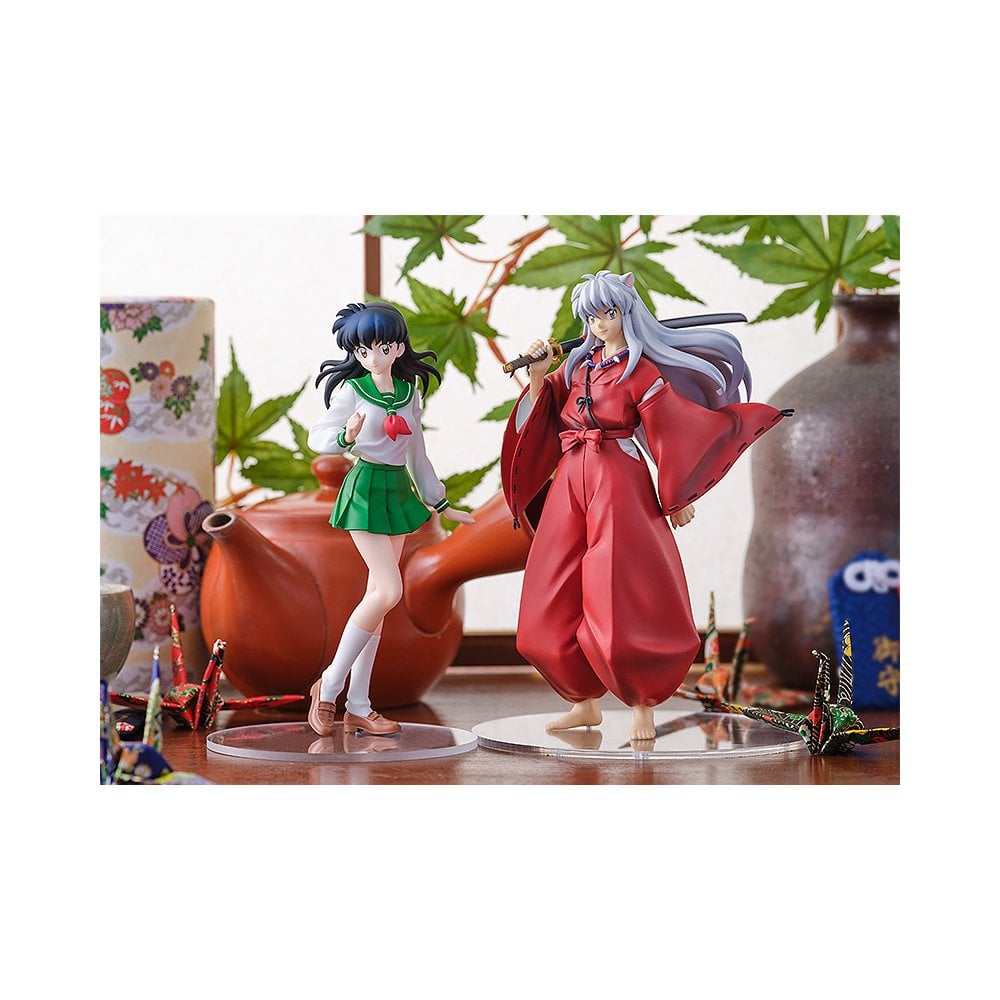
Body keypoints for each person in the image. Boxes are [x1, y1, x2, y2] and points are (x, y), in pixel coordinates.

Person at [501, 271, 788, 743]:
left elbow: (669, 431)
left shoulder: (641, 373)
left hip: (617, 477)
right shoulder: (576, 367)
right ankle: (583, 700)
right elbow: (546, 417)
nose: (598, 324)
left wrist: (678, 494)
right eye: (591, 316)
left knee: (621, 588)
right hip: (571, 476)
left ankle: (642, 703)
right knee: (552, 583)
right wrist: (537, 376)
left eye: (607, 313)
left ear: (626, 313)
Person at [307, 301, 475, 736]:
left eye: (381, 348)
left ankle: (359, 706)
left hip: (397, 489)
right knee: (390, 591)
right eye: (362, 351)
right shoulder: (352, 391)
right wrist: (345, 435)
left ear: (398, 347)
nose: (372, 357)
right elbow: (317, 437)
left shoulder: (409, 392)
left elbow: (417, 454)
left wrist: (441, 503)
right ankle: (329, 685)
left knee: (377, 599)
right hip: (365, 488)